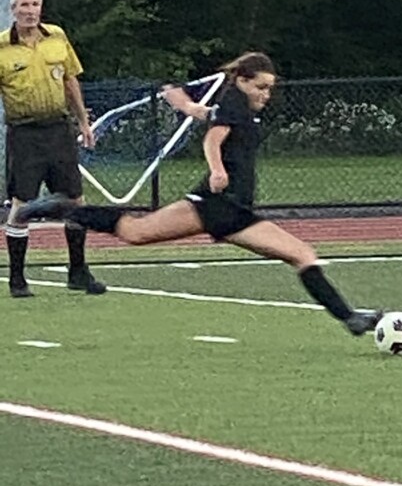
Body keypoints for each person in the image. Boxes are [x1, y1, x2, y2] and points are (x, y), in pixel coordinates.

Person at [16, 51, 382, 335]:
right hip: (219, 205)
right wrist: (218, 170)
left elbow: (204, 114)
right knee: (300, 254)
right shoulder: (237, 105)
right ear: (241, 80)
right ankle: (349, 317)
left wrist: (181, 103)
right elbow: (213, 138)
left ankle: (66, 209)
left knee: (136, 232)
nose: (266, 94)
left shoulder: (235, 104)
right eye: (261, 87)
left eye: (270, 88)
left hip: (234, 210)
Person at [0, 0, 106, 297]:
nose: (30, 11)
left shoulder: (57, 36)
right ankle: (17, 279)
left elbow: (71, 79)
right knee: (22, 202)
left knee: (75, 198)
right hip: (24, 133)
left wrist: (84, 122)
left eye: (34, 4)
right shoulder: (3, 47)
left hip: (58, 130)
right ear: (13, 9)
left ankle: (78, 271)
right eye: (24, 5)